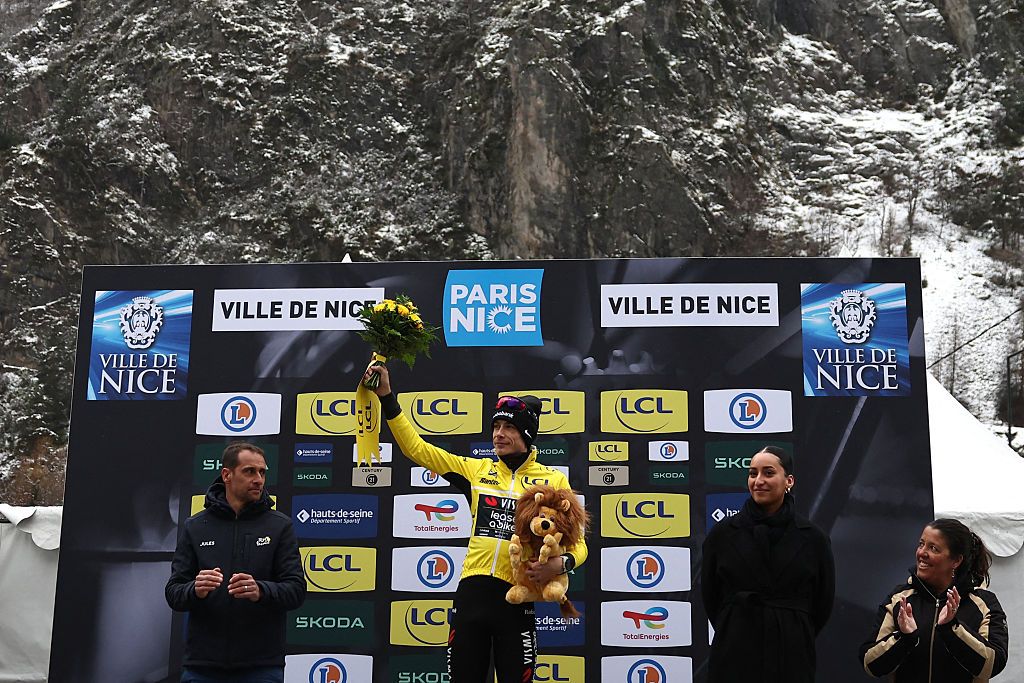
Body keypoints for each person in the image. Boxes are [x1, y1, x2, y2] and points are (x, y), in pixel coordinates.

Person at [365, 362, 588, 683]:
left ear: (526, 433)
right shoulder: (476, 470)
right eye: (496, 427)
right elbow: (416, 449)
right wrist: (386, 396)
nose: (499, 434)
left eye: (508, 428)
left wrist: (561, 564)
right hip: (472, 596)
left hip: (516, 600)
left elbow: (579, 544)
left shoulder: (553, 480)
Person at [165, 442, 306, 683]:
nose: (259, 479)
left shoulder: (280, 526)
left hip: (260, 668)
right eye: (249, 471)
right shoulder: (196, 526)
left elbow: (296, 590)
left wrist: (260, 590)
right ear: (227, 475)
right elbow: (174, 593)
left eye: (262, 472)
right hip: (202, 668)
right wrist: (195, 589)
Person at [701, 445, 835, 683]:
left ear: (789, 481)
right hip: (734, 649)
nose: (758, 480)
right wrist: (734, 624)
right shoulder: (722, 535)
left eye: (768, 473)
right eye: (753, 473)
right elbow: (711, 596)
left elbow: (822, 602)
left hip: (792, 652)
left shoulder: (814, 538)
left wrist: (792, 625)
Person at [860, 518, 1008, 681]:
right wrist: (904, 639)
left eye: (933, 548)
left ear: (956, 561)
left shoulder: (984, 603)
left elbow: (993, 665)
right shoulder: (900, 598)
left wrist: (952, 629)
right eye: (921, 544)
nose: (922, 553)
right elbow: (870, 664)